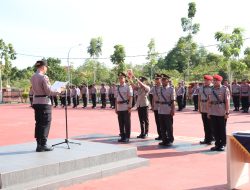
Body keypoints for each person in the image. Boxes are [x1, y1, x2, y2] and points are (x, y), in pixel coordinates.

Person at [31, 60, 60, 152]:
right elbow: (48, 92)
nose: (46, 69)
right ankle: (43, 144)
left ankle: (39, 144)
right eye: (46, 67)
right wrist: (58, 91)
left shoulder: (33, 77)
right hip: (44, 102)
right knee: (45, 123)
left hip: (36, 102)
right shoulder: (44, 77)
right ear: (43, 67)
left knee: (39, 123)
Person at [208, 74, 230, 151]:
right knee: (215, 129)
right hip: (213, 111)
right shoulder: (211, 89)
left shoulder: (224, 89)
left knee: (222, 129)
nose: (213, 82)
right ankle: (217, 144)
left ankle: (223, 144)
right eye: (213, 80)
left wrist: (227, 112)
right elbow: (209, 101)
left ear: (220, 81)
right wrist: (209, 112)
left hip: (221, 112)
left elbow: (227, 102)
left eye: (215, 80)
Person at [115, 72, 133, 143]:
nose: (120, 79)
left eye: (122, 78)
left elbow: (130, 97)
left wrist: (130, 106)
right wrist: (116, 108)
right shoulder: (117, 87)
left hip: (126, 107)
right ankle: (122, 136)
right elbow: (116, 98)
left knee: (127, 123)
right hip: (119, 107)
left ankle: (127, 137)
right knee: (121, 123)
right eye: (119, 78)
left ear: (125, 79)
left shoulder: (128, 86)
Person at [158, 74, 175, 146]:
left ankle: (170, 139)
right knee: (162, 126)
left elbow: (173, 101)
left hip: (168, 109)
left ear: (168, 80)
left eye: (164, 80)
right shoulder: (160, 89)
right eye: (162, 80)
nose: (163, 81)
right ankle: (164, 139)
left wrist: (173, 110)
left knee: (169, 126)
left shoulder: (171, 89)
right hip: (161, 109)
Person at [198, 75, 214, 145]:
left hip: (210, 107)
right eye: (205, 80)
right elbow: (199, 97)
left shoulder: (213, 88)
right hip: (203, 106)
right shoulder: (201, 88)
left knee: (211, 124)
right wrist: (199, 107)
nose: (205, 81)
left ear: (211, 81)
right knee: (205, 124)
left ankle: (211, 138)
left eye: (207, 80)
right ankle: (207, 138)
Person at [150, 74, 162, 140]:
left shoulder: (163, 87)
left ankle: (164, 135)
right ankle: (160, 135)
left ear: (160, 79)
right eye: (156, 79)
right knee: (157, 121)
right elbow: (152, 97)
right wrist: (152, 106)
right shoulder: (154, 88)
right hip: (156, 106)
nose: (156, 80)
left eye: (158, 79)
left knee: (162, 122)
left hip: (162, 106)